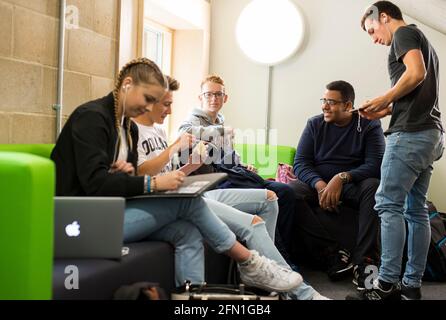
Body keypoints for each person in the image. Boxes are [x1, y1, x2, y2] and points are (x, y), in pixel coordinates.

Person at [50, 57, 302, 293]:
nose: (149, 107)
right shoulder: (92, 118)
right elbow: (95, 184)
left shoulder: (127, 127)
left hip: (112, 209)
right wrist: (152, 182)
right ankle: (250, 263)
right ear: (127, 85)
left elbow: (119, 179)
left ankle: (192, 299)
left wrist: (129, 174)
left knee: (187, 232)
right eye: (148, 98)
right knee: (187, 201)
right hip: (80, 223)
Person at [132, 75, 329, 300]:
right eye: (166, 104)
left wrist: (199, 166)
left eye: (218, 94)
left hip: (190, 189)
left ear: (225, 97)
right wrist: (214, 135)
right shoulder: (163, 127)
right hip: (197, 193)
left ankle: (269, 272)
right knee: (254, 222)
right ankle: (300, 291)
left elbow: (171, 177)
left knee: (272, 197)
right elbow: (179, 140)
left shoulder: (158, 132)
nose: (169, 110)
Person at [348, 1, 444, 300]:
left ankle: (386, 285)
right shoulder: (422, 40)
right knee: (415, 211)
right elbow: (418, 91)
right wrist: (386, 110)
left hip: (410, 137)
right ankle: (411, 286)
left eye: (372, 29)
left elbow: (415, 74)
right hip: (430, 134)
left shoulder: (403, 35)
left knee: (387, 205)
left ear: (384, 17)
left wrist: (383, 97)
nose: (374, 38)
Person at [178, 75, 297, 265]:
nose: (213, 98)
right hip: (216, 184)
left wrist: (242, 165)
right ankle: (282, 261)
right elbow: (184, 133)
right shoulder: (193, 120)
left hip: (235, 174)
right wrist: (220, 131)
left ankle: (285, 256)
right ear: (200, 97)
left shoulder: (221, 121)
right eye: (208, 94)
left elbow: (228, 157)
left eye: (218, 94)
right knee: (273, 194)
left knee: (287, 193)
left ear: (225, 98)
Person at [289, 80, 385, 291]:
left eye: (331, 102)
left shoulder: (369, 125)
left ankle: (365, 262)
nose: (324, 106)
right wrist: (320, 184)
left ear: (348, 106)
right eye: (324, 100)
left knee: (374, 186)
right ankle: (334, 253)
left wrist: (342, 177)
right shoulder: (314, 124)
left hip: (353, 185)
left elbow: (376, 164)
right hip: (319, 185)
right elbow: (301, 163)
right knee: (290, 191)